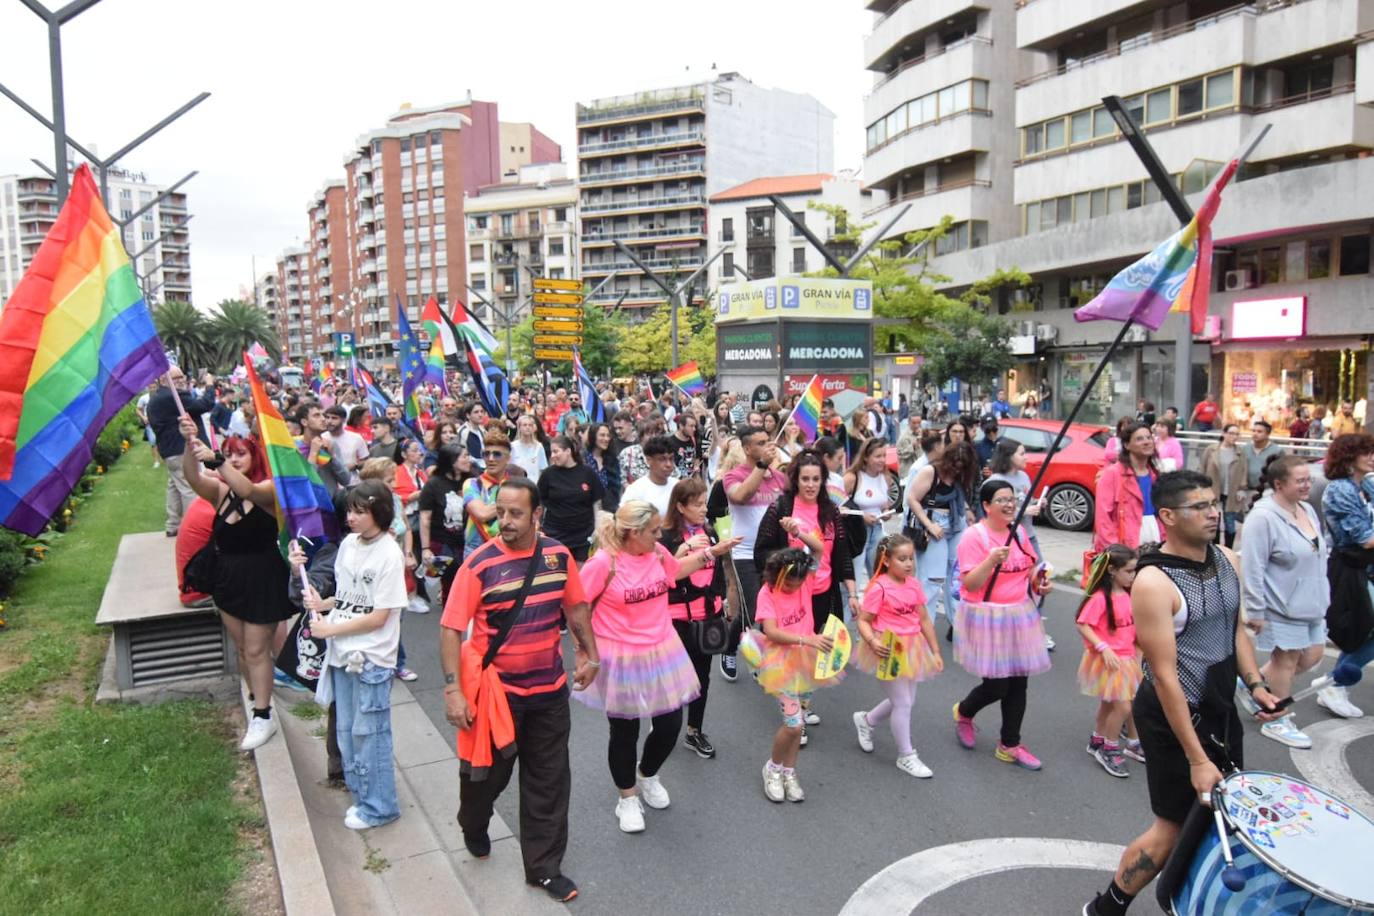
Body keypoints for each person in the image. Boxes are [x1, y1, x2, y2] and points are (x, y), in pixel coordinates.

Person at [1083, 470, 1281, 916]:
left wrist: (1256, 686)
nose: (1213, 513)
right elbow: (1166, 676)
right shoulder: (1154, 584)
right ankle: (1106, 907)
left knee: (1221, 815)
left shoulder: (1228, 559)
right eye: (1200, 506)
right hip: (1175, 713)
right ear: (1168, 516)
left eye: (1214, 503)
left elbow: (1232, 631)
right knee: (1173, 826)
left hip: (1218, 704)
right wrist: (1196, 759)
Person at [439, 480, 598, 903]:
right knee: (487, 777)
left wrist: (590, 655)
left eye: (515, 514)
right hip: (496, 696)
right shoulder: (478, 564)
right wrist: (453, 691)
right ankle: (473, 821)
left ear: (537, 515)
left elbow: (576, 607)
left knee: (548, 780)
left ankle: (543, 869)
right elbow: (452, 629)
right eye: (500, 512)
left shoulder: (558, 556)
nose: (504, 522)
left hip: (549, 691)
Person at [576, 500, 719, 834]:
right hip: (620, 655)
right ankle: (626, 797)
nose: (660, 535)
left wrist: (712, 553)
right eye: (654, 530)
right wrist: (585, 652)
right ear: (633, 532)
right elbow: (578, 607)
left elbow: (675, 570)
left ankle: (648, 774)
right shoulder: (603, 562)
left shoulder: (655, 552)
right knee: (625, 730)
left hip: (662, 649)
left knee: (670, 724)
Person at [178, 415, 295, 751]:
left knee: (258, 649)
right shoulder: (220, 491)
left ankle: (262, 715)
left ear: (254, 456)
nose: (234, 459)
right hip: (227, 577)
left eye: (240, 453)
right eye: (229, 454)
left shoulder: (270, 489)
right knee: (243, 648)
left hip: (262, 577)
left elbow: (249, 490)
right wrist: (190, 446)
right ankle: (257, 698)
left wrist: (216, 461)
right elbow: (191, 478)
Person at [300, 479, 407, 830]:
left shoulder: (390, 553)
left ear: (379, 512)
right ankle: (363, 801)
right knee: (346, 732)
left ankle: (380, 807)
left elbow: (379, 615)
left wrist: (331, 628)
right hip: (342, 655)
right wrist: (323, 604)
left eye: (360, 511)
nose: (351, 518)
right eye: (350, 510)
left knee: (369, 734)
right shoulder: (347, 544)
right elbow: (347, 596)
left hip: (371, 660)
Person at [952, 479, 1054, 771]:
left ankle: (1009, 744)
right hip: (987, 617)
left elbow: (1028, 573)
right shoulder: (974, 537)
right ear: (986, 506)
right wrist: (989, 561)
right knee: (997, 685)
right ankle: (964, 711)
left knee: (1019, 683)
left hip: (1020, 614)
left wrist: (1040, 583)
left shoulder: (1018, 531)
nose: (1010, 504)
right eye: (1001, 500)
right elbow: (969, 583)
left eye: (1012, 499)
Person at [1240, 455, 1328, 747]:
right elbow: (1252, 566)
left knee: (1313, 656)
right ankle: (1276, 717)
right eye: (1300, 481)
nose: (1307, 486)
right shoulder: (1263, 517)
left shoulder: (1306, 510)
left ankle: (1251, 685)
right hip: (1281, 606)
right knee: (1286, 662)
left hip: (1312, 603)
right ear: (1279, 484)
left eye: (1309, 480)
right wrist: (1255, 609)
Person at [661, 479, 742, 760]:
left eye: (704, 502)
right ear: (680, 506)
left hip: (708, 616)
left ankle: (694, 731)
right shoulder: (665, 536)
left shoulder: (709, 531)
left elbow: (719, 570)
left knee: (701, 680)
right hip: (676, 621)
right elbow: (661, 576)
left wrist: (724, 602)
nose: (703, 509)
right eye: (697, 504)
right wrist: (683, 550)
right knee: (672, 680)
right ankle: (663, 728)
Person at [851, 533, 942, 778]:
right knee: (903, 703)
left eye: (911, 558)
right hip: (886, 649)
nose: (909, 563)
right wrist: (872, 641)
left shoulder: (913, 584)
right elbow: (864, 621)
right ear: (887, 560)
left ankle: (867, 721)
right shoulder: (879, 587)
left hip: (913, 648)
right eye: (902, 559)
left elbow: (923, 619)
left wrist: (934, 650)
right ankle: (906, 755)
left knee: (905, 701)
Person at [753, 548, 839, 804]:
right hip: (780, 666)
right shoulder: (767, 593)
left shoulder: (806, 580)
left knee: (799, 721)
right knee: (794, 724)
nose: (794, 588)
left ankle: (789, 773)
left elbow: (819, 550)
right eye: (789, 584)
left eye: (798, 583)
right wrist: (806, 639)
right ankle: (772, 768)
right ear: (776, 575)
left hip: (806, 664)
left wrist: (798, 532)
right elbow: (770, 631)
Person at [753, 451, 859, 636]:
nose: (811, 485)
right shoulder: (781, 508)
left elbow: (842, 556)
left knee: (820, 655)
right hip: (791, 595)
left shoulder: (831, 510)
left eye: (816, 479)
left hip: (823, 593)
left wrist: (852, 594)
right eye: (805, 479)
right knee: (793, 651)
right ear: (796, 480)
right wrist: (788, 563)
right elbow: (761, 553)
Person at [719, 425, 789, 683]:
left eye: (768, 440)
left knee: (771, 610)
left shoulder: (779, 478)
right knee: (751, 607)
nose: (768, 445)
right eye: (760, 442)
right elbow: (740, 496)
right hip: (745, 552)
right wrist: (761, 466)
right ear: (747, 448)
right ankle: (731, 648)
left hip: (775, 554)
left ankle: (760, 654)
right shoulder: (733, 476)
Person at [1318, 432, 1374, 718]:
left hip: (1364, 567)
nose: (1371, 456)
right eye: (1365, 452)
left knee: (1364, 628)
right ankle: (1335, 683)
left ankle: (1335, 681)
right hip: (1348, 567)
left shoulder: (1365, 485)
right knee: (1359, 627)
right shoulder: (1341, 489)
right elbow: (1364, 538)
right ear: (1349, 457)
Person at [1076, 545, 1143, 778]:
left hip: (1126, 658)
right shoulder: (1100, 599)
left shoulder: (1128, 595)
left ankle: (1097, 739)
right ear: (1112, 571)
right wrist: (1102, 647)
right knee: (1123, 706)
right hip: (1110, 661)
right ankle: (1110, 748)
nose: (1133, 576)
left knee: (1110, 704)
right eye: (1129, 571)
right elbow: (1083, 623)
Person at [906, 441, 978, 625]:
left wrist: (968, 511)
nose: (957, 470)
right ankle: (924, 628)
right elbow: (912, 499)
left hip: (956, 523)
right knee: (932, 580)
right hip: (933, 525)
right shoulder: (930, 471)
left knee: (956, 577)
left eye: (962, 467)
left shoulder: (961, 475)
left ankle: (958, 625)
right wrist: (929, 525)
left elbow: (960, 495)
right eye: (954, 466)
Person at [148, 369, 215, 536]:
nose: (180, 381)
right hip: (181, 451)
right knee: (190, 488)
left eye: (181, 377)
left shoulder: (156, 398)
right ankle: (197, 529)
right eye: (175, 378)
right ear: (164, 379)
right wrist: (209, 385)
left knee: (174, 487)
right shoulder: (172, 397)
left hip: (169, 451)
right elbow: (204, 405)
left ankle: (173, 524)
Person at [418, 442, 472, 607]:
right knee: (449, 579)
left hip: (467, 540)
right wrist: (426, 548)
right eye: (464, 456)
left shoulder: (471, 481)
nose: (468, 459)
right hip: (442, 542)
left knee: (467, 578)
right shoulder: (433, 484)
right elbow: (425, 517)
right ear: (451, 460)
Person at [538, 435, 605, 565]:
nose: (552, 455)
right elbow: (539, 503)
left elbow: (597, 503)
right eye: (551, 452)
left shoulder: (587, 472)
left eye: (556, 451)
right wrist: (537, 526)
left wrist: (598, 528)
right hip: (555, 534)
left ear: (568, 451)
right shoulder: (548, 474)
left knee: (582, 574)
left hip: (583, 534)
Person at [1093, 423, 1161, 551]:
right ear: (1126, 445)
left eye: (1149, 437)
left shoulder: (1156, 475)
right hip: (1125, 543)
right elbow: (1103, 518)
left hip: (1155, 535)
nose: (1146, 442)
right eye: (1139, 439)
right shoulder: (1112, 474)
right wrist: (1114, 549)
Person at [844, 437, 897, 578]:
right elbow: (838, 506)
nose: (882, 460)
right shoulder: (852, 477)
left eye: (884, 456)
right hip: (857, 531)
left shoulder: (885, 477)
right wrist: (862, 515)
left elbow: (884, 505)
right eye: (878, 456)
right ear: (866, 458)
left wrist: (886, 513)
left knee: (877, 574)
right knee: (854, 574)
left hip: (877, 530)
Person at [462, 430, 512, 553]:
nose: (490, 459)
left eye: (497, 454)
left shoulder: (514, 484)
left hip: (506, 548)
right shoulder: (472, 484)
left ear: (508, 458)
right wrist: (515, 503)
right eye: (486, 454)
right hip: (476, 550)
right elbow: (482, 514)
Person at [1200, 423, 1246, 548]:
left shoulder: (1240, 452)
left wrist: (1242, 489)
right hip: (1213, 490)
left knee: (1230, 521)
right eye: (1231, 433)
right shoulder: (1211, 450)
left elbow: (1243, 471)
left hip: (1231, 491)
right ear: (1224, 433)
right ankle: (1215, 549)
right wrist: (1201, 487)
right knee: (1214, 519)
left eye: (1237, 434)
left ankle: (1228, 549)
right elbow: (1202, 468)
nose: (1234, 436)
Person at [620, 435, 679, 519]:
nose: (668, 464)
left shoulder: (678, 486)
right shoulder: (636, 490)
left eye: (671, 459)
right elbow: (623, 520)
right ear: (648, 460)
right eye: (662, 459)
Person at [1240, 419, 1281, 502]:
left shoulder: (1277, 450)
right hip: (1247, 491)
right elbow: (1240, 469)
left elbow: (1281, 472)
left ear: (1267, 434)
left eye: (1259, 432)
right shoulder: (1245, 448)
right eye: (1253, 431)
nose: (1255, 434)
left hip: (1268, 493)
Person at [583, 422, 621, 511]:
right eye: (602, 435)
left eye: (608, 435)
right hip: (587, 508)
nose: (606, 439)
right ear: (593, 436)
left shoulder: (612, 460)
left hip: (608, 509)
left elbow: (615, 488)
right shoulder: (583, 459)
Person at [510, 414, 548, 483]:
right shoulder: (513, 446)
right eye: (524, 425)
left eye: (530, 425)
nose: (527, 427)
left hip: (534, 484)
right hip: (517, 484)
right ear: (520, 428)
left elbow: (543, 468)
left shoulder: (539, 446)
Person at [670, 412, 703, 480]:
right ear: (681, 426)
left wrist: (696, 467)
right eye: (691, 426)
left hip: (692, 482)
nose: (694, 429)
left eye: (694, 426)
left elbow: (697, 458)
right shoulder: (669, 442)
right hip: (677, 483)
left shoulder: (695, 440)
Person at [458, 402, 489, 470]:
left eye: (482, 411)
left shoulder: (482, 430)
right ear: (468, 415)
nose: (480, 414)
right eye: (476, 412)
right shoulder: (464, 432)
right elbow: (460, 453)